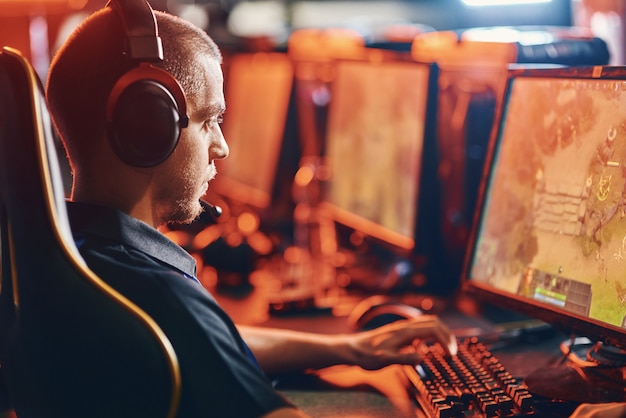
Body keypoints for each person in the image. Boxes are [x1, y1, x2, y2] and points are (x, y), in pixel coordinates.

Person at [44, 3, 457, 417]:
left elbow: (208, 342)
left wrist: (349, 347)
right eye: (209, 120)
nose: (221, 146)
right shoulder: (158, 293)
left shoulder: (77, 258)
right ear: (147, 126)